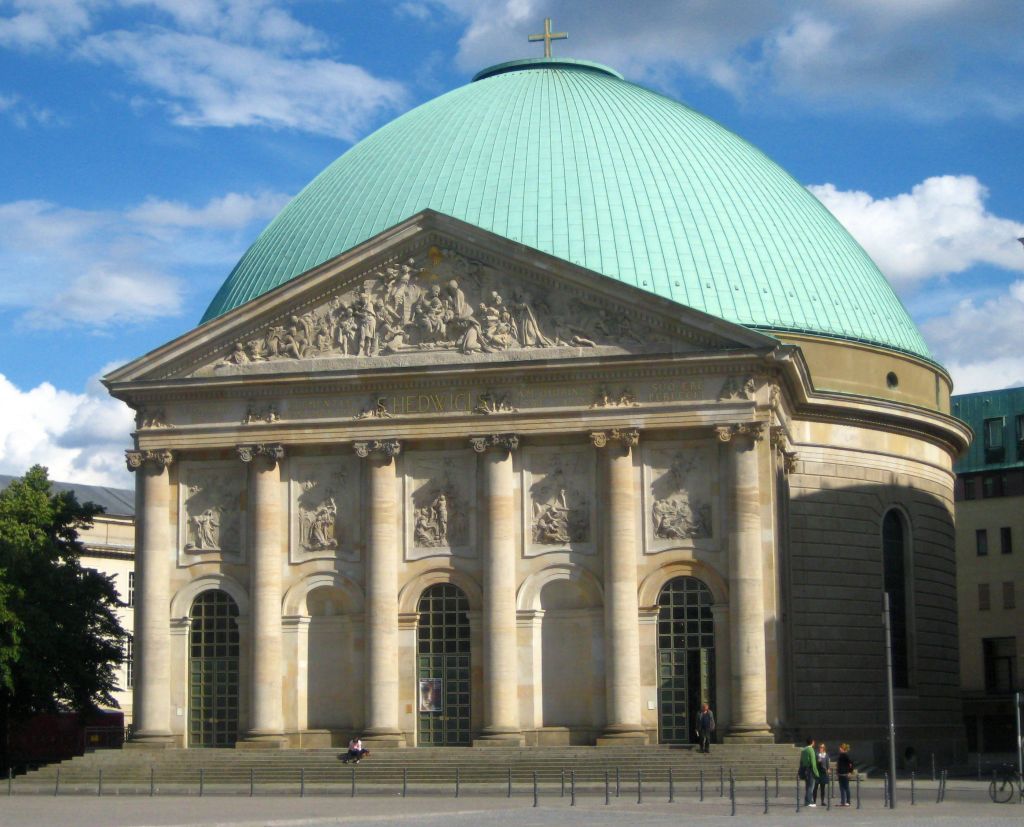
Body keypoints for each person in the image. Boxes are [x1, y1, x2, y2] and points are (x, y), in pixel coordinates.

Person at [799, 737, 820, 806]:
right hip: (810, 770)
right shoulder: (811, 750)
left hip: (805, 769)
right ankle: (809, 802)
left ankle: (807, 801)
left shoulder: (803, 750)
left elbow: (801, 761)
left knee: (807, 786)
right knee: (811, 787)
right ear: (812, 742)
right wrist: (816, 773)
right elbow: (813, 762)